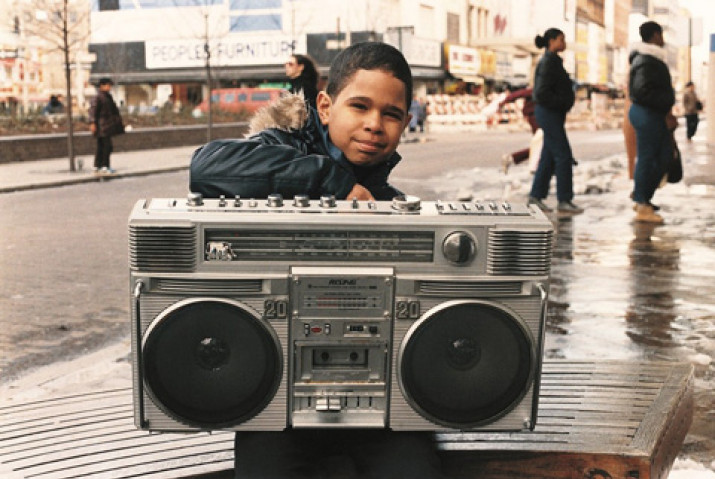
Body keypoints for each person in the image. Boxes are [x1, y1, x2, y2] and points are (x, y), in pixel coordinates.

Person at [191, 42, 412, 203]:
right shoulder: (286, 143)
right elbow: (206, 167)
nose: (374, 124)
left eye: (391, 114)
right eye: (359, 106)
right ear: (325, 108)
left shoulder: (389, 202)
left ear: (405, 124)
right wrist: (333, 183)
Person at [527, 28, 582, 214]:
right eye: (561, 39)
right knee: (563, 155)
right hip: (549, 113)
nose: (564, 42)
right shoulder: (548, 62)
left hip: (552, 113)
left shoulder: (553, 61)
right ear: (551, 41)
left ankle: (536, 196)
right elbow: (541, 93)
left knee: (549, 157)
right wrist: (561, 103)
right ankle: (564, 200)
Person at [628, 21, 675, 224]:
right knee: (648, 158)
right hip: (647, 114)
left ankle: (642, 196)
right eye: (661, 34)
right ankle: (641, 202)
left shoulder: (651, 58)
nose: (663, 38)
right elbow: (641, 91)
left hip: (653, 114)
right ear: (655, 35)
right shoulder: (646, 60)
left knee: (664, 156)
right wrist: (665, 105)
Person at [88, 78, 124, 174]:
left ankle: (98, 165)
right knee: (106, 146)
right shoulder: (99, 97)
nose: (109, 87)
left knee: (102, 146)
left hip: (106, 125)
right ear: (102, 86)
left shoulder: (107, 97)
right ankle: (104, 165)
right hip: (102, 126)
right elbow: (93, 111)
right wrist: (93, 122)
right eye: (107, 85)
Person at [499, 87, 537, 173]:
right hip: (535, 117)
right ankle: (512, 158)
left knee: (543, 144)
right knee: (543, 144)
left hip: (537, 116)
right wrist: (504, 102)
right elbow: (520, 94)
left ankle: (513, 158)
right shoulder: (538, 89)